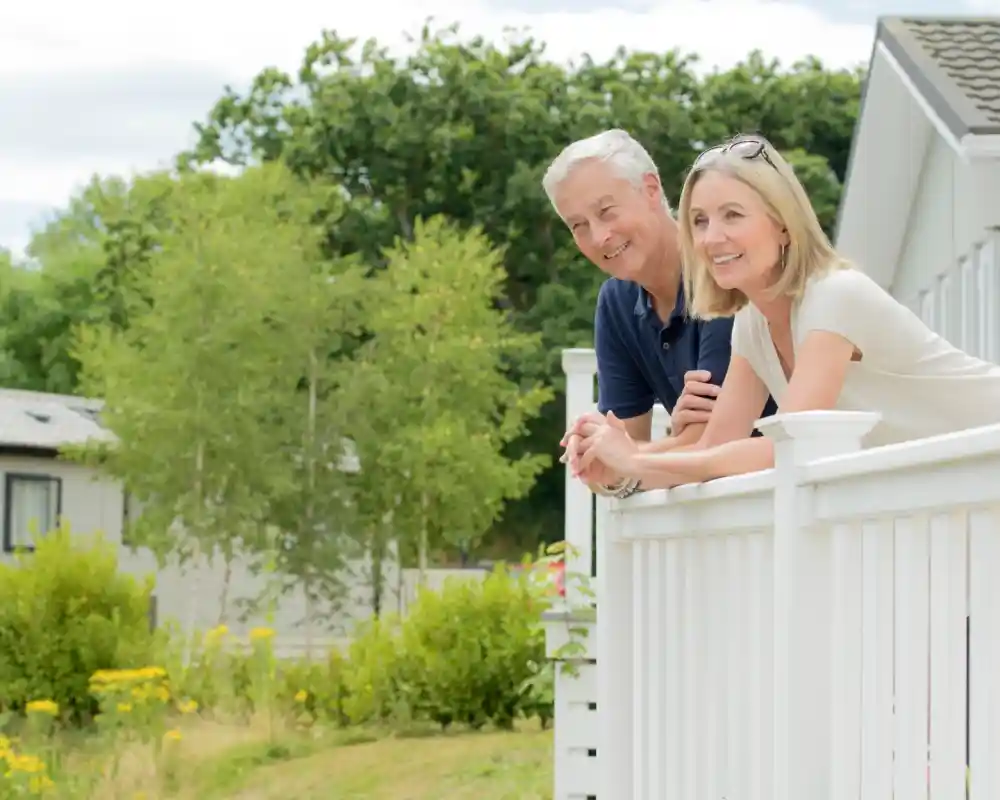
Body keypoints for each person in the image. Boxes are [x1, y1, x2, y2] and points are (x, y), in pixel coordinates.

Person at [566, 133, 1000, 488]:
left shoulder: (834, 296)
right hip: (966, 479)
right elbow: (714, 448)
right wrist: (617, 461)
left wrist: (637, 463)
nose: (712, 238)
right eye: (699, 221)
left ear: (783, 224)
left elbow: (788, 446)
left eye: (732, 215)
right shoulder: (753, 323)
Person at [542, 129, 776, 497]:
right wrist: (610, 458)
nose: (599, 236)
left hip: (793, 496)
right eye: (578, 226)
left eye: (606, 212)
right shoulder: (616, 302)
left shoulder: (722, 269)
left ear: (651, 190)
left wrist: (625, 459)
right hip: (729, 512)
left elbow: (709, 443)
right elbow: (622, 455)